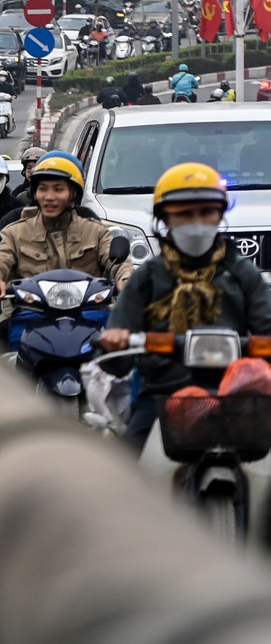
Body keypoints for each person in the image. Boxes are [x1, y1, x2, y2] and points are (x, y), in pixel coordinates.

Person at [100, 162, 271, 448]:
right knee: (128, 468)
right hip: (162, 397)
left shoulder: (243, 274)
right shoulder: (147, 277)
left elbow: (266, 327)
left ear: (220, 215)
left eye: (206, 212)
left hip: (240, 395)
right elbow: (117, 356)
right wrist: (114, 342)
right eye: (184, 214)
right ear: (164, 219)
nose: (196, 222)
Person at [0, 152, 131, 299]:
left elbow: (119, 264)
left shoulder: (95, 231)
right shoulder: (16, 232)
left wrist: (126, 278)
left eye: (58, 189)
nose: (49, 197)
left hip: (88, 313)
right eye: (42, 189)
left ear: (73, 193)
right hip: (29, 311)